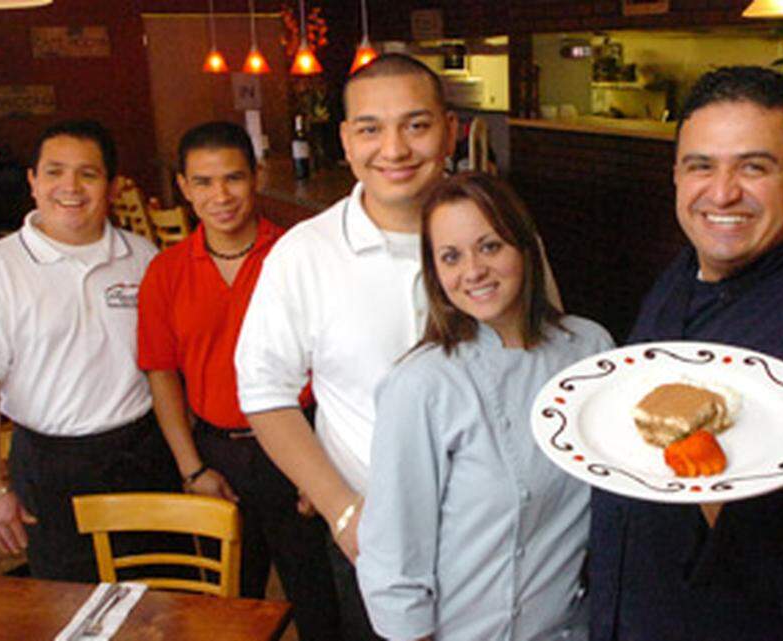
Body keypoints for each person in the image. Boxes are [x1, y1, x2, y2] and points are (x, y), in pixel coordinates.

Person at [587, 66, 783, 640]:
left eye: (754, 167)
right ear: (676, 175)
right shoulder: (683, 272)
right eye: (701, 165)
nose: (722, 192)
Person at [234, 53, 459, 640]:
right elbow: (263, 390)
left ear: (450, 129)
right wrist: (339, 506)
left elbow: (540, 360)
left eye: (416, 125)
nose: (394, 149)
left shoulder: (501, 236)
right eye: (370, 129)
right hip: (376, 532)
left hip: (496, 530)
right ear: (345, 140)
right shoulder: (305, 253)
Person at [357, 173, 613, 640]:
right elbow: (393, 555)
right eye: (450, 257)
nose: (472, 270)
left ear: (524, 247)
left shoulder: (589, 350)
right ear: (434, 272)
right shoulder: (420, 386)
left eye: (490, 246)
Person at [0, 119, 178, 581]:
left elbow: (165, 366)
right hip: (52, 466)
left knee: (162, 596)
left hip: (143, 454)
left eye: (87, 174)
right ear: (32, 182)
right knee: (71, 603)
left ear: (112, 187)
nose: (70, 187)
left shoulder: (143, 256)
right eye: (54, 172)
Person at [136, 121, 338, 639]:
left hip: (299, 448)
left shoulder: (299, 256)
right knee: (228, 611)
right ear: (183, 186)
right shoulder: (166, 271)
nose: (219, 196)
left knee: (321, 604)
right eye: (202, 182)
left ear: (258, 176)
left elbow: (336, 367)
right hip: (216, 454)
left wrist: (321, 472)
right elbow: (162, 375)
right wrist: (192, 469)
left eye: (233, 178)